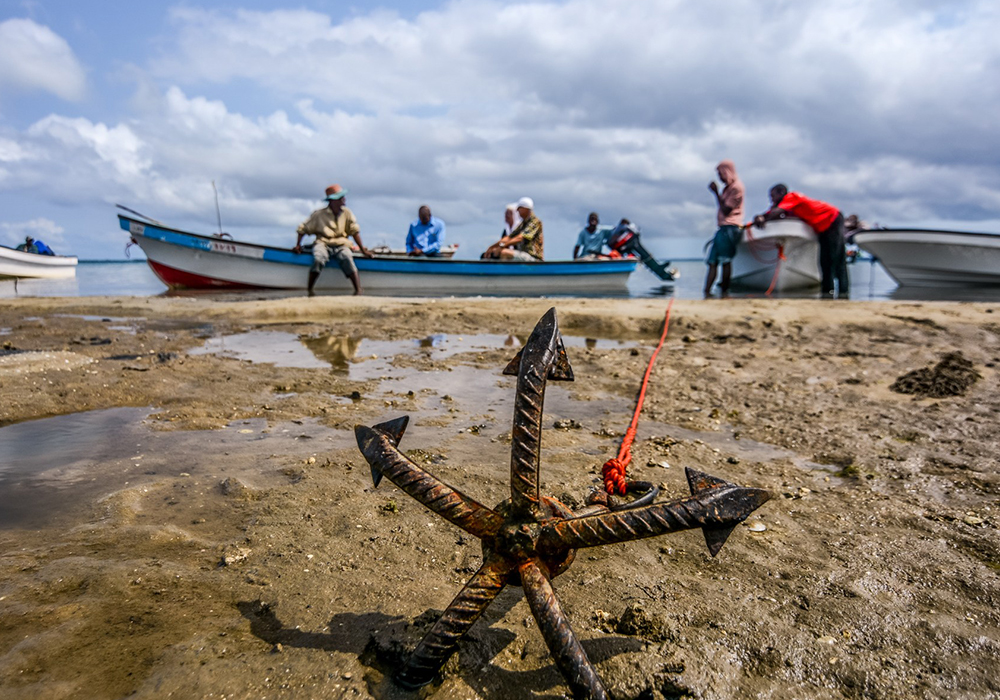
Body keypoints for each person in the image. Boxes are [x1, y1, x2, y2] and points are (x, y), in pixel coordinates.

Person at [752, 184, 849, 298]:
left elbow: (775, 213)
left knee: (835, 260)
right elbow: (774, 213)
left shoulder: (792, 197)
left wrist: (762, 217)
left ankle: (842, 293)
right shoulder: (789, 206)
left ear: (781, 193)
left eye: (772, 196)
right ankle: (828, 293)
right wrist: (761, 216)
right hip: (823, 227)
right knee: (825, 262)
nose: (771, 199)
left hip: (832, 220)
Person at [294, 184, 372, 296]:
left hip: (342, 243)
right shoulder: (319, 214)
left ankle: (358, 289)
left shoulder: (347, 213)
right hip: (323, 243)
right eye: (340, 198)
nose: (343, 200)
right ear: (332, 201)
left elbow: (355, 231)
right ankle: (310, 290)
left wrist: (363, 251)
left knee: (347, 258)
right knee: (319, 259)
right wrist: (298, 245)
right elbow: (302, 229)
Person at [703, 160, 745, 297]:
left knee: (725, 260)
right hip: (723, 228)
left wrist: (716, 193)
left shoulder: (736, 188)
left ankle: (724, 292)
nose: (720, 178)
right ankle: (707, 292)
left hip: (730, 228)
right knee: (712, 261)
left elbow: (727, 210)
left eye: (721, 174)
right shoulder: (727, 188)